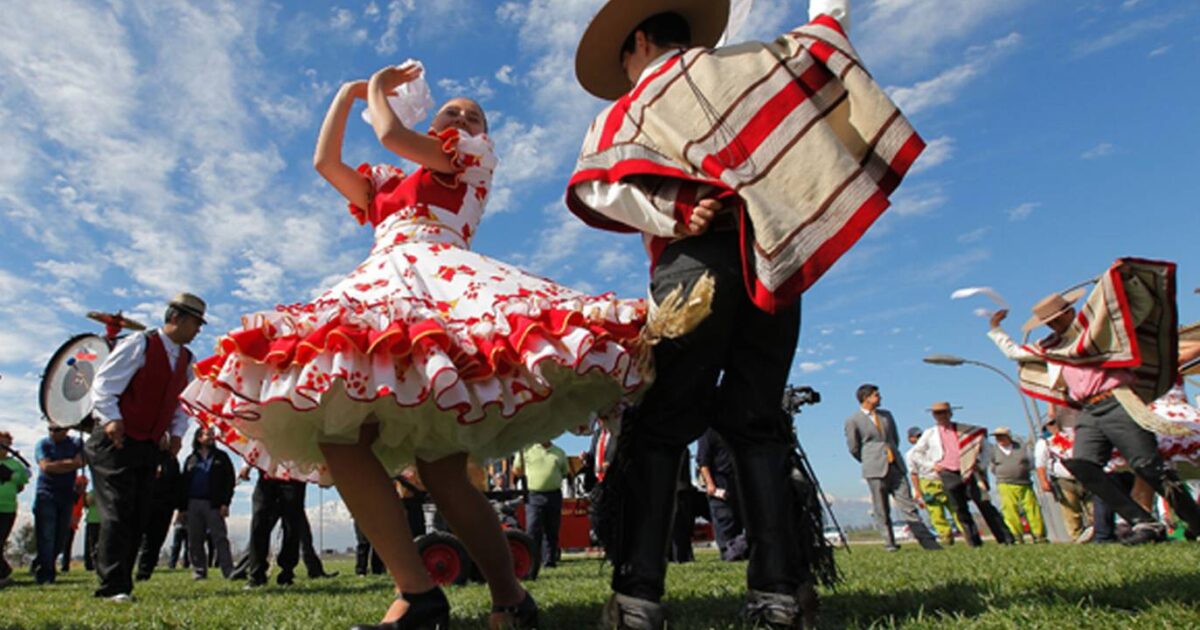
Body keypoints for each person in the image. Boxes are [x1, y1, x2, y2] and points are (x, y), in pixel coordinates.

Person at [180, 60, 650, 630]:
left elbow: (389, 133)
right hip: (384, 283)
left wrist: (376, 89)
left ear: (481, 133)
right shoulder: (387, 182)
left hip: (445, 287)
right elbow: (325, 162)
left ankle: (509, 595)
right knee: (339, 435)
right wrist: (347, 92)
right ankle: (418, 591)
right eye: (451, 109)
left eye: (472, 115)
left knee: (446, 473)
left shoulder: (470, 161)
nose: (459, 117)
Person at [567, 0, 912, 624]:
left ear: (640, 41)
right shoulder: (754, 64)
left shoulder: (629, 108)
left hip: (693, 268)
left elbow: (597, 184)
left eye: (624, 56)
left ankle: (639, 598)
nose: (623, 70)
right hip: (771, 260)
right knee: (757, 419)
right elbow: (829, 27)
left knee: (662, 420)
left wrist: (673, 210)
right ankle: (778, 595)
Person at [986, 260, 1200, 545]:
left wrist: (1125, 280)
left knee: (1148, 465)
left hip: (1118, 400)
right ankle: (1143, 521)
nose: (1054, 324)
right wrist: (995, 329)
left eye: (1058, 318)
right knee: (1082, 464)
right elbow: (1016, 353)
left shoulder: (1100, 331)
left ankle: (1195, 519)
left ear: (1071, 312)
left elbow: (1134, 311)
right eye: (1049, 322)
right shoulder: (1052, 347)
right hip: (1088, 410)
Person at [87, 293, 203, 601]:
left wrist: (177, 434)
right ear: (175, 318)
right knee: (117, 509)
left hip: (148, 445)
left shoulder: (187, 360)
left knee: (139, 513)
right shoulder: (140, 344)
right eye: (195, 322)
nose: (198, 330)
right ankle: (112, 586)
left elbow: (182, 404)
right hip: (115, 441)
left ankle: (122, 582)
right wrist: (111, 419)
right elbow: (104, 385)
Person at [845, 385, 941, 551]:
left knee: (908, 505)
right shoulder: (853, 420)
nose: (880, 397)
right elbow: (854, 447)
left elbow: (894, 439)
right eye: (876, 395)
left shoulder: (886, 416)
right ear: (866, 398)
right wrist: (869, 459)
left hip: (895, 464)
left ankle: (928, 542)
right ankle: (889, 543)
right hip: (874, 468)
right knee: (881, 507)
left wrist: (891, 454)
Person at [908, 403, 1013, 547]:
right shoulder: (930, 433)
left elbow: (986, 448)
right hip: (947, 472)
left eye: (944, 412)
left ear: (950, 413)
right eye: (938, 413)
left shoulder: (966, 430)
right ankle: (974, 542)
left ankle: (1005, 538)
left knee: (984, 504)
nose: (941, 416)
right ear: (933, 416)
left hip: (970, 471)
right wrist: (932, 465)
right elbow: (915, 453)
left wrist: (980, 465)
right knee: (960, 508)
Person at [180, 427, 235, 580]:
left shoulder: (222, 457)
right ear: (198, 438)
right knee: (195, 539)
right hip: (193, 504)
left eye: (212, 434)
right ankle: (199, 571)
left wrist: (225, 503)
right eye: (207, 434)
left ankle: (229, 570)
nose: (211, 437)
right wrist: (182, 508)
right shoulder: (190, 459)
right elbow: (183, 484)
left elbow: (229, 481)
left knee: (220, 538)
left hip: (214, 504)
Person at [33, 425, 84, 585]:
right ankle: (46, 574)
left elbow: (82, 462)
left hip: (67, 495)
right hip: (46, 495)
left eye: (57, 429)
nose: (52, 433)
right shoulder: (43, 444)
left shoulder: (77, 443)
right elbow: (46, 467)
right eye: (50, 429)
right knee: (46, 535)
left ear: (66, 429)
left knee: (60, 538)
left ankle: (41, 563)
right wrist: (72, 464)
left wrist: (58, 466)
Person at [1033, 418, 1091, 542]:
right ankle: (1076, 537)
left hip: (1085, 475)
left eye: (1055, 422)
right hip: (1063, 479)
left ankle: (1098, 533)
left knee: (1093, 507)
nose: (1054, 425)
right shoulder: (1044, 442)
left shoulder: (1072, 434)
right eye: (1050, 424)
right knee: (1071, 511)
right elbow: (1040, 463)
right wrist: (1043, 481)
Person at [515, 441, 569, 569]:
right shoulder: (526, 450)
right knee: (533, 528)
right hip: (533, 495)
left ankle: (549, 560)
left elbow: (564, 472)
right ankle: (533, 560)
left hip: (554, 494)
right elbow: (517, 470)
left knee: (552, 529)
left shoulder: (559, 452)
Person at [988, 427, 1045, 543]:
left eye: (1002, 436)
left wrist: (1023, 470)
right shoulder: (993, 450)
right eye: (997, 436)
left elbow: (1031, 463)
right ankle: (1016, 535)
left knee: (1032, 508)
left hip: (1024, 483)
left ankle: (1039, 535)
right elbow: (992, 467)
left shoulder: (1022, 448)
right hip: (1005, 483)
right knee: (1009, 509)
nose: (999, 439)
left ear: (1009, 436)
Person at [135, 445, 184, 581]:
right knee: (135, 538)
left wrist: (179, 506)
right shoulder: (142, 454)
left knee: (155, 540)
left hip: (163, 506)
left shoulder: (171, 460)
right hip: (142, 502)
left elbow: (177, 483)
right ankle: (124, 570)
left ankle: (144, 573)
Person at [696, 429, 745, 561]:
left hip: (737, 482)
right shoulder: (708, 432)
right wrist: (711, 486)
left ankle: (738, 552)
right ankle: (729, 554)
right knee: (725, 523)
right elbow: (703, 462)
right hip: (719, 482)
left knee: (738, 522)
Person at [904, 427, 957, 546]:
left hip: (943, 479)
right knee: (936, 512)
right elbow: (914, 474)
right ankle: (946, 537)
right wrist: (918, 492)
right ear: (910, 439)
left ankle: (966, 533)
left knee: (955, 508)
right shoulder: (911, 454)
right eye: (916, 437)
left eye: (920, 436)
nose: (919, 439)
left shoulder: (934, 448)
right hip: (927, 482)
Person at [0, 430, 32, 588]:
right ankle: (4, 572)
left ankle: (3, 573)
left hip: (7, 508)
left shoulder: (15, 464)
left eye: (6, 444)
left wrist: (10, 475)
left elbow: (23, 479)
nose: (3, 447)